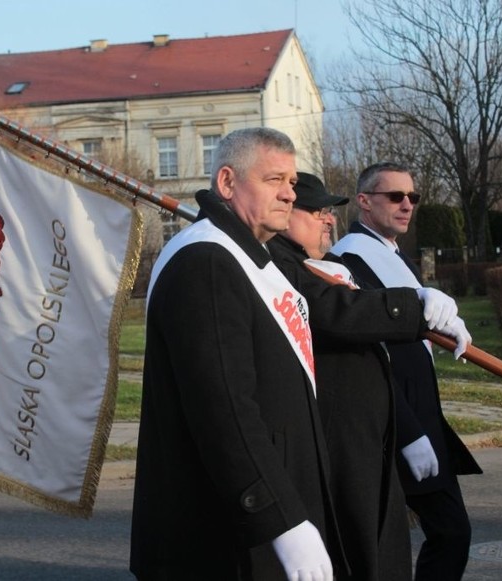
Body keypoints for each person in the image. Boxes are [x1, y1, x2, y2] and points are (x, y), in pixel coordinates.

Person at [130, 128, 346, 580]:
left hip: (258, 521)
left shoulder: (246, 256)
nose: (289, 194)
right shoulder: (206, 262)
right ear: (227, 183)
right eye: (274, 180)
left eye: (291, 182)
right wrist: (280, 519)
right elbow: (224, 408)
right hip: (230, 538)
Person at [266, 172, 470, 581]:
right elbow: (348, 317)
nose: (329, 220)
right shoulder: (303, 266)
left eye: (413, 195)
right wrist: (415, 305)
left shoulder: (336, 262)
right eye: (395, 196)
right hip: (349, 439)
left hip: (382, 428)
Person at [332, 162, 482, 581]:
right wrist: (408, 432)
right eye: (395, 196)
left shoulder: (394, 254)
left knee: (447, 533)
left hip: (422, 415)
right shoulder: (349, 260)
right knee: (419, 539)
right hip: (393, 423)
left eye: (412, 197)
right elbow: (368, 357)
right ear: (364, 201)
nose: (407, 205)